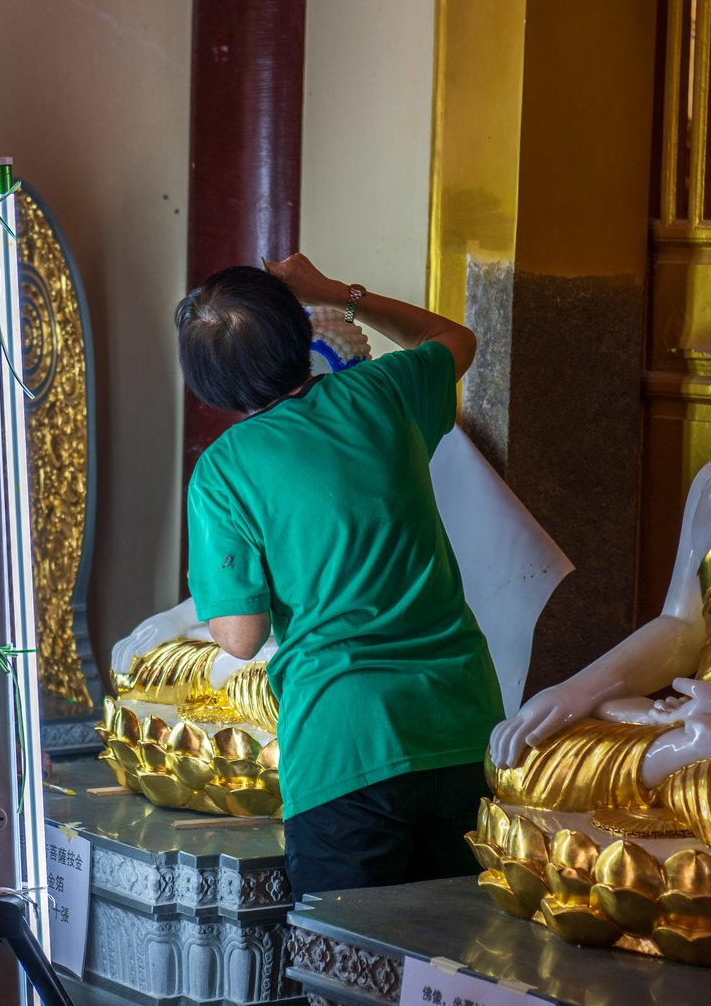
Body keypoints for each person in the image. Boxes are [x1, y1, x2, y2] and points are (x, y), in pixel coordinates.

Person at [178, 254, 503, 900]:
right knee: (456, 966)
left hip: (345, 744)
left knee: (355, 980)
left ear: (212, 388)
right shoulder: (383, 391)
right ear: (303, 331)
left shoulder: (223, 471)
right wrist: (337, 292)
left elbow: (241, 636)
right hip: (462, 725)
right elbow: (457, 339)